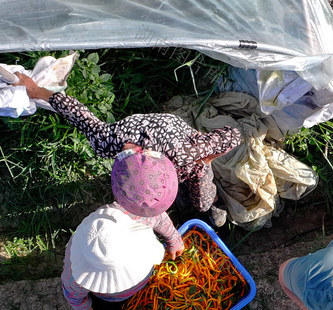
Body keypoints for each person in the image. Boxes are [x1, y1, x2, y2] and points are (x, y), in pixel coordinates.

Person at [13, 72, 239, 226]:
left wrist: (206, 156)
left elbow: (234, 135)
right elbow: (78, 114)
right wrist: (37, 90)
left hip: (177, 138)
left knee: (201, 202)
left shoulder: (186, 152)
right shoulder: (108, 140)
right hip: (155, 141)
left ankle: (212, 199)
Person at [62, 149, 183, 310]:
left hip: (145, 278)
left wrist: (173, 239)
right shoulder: (75, 274)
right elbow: (74, 296)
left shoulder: (132, 214)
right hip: (109, 299)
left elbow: (159, 217)